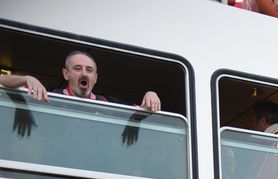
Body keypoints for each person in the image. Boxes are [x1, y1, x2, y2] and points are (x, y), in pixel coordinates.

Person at [0, 50, 161, 111]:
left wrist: (151, 94)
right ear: (66, 74)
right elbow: (2, 81)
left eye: (89, 70)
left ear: (95, 78)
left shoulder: (105, 101)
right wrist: (26, 79)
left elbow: (143, 109)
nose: (84, 73)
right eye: (78, 68)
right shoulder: (50, 94)